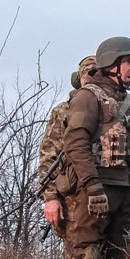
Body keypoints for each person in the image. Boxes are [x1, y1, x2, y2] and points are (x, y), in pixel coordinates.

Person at [48, 37, 130, 259]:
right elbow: (75, 144)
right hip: (97, 190)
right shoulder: (88, 97)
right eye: (128, 61)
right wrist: (93, 188)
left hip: (128, 191)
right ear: (111, 64)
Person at [35, 55, 96, 207]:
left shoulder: (114, 110)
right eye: (86, 75)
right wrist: (50, 197)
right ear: (79, 80)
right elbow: (48, 154)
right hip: (72, 195)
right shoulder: (64, 110)